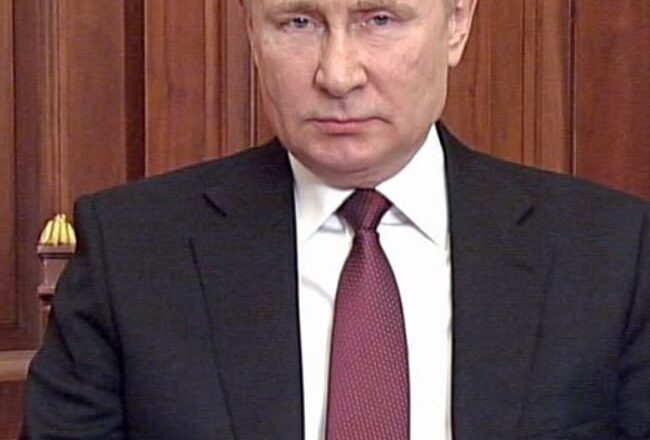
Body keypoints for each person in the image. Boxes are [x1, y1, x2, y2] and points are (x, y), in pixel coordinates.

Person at [23, 0, 649, 438]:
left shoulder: (611, 253)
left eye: (380, 19)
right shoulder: (132, 251)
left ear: (457, 23)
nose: (337, 74)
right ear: (251, 30)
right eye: (298, 22)